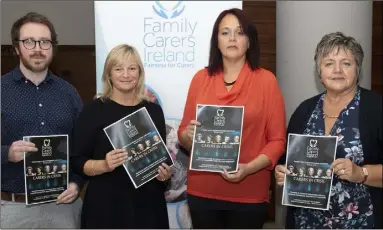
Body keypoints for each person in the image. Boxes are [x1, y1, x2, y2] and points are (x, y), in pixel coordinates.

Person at [178, 8, 286, 229]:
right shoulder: (200, 79)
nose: (232, 39)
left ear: (249, 41)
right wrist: (188, 135)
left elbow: (277, 141)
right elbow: (183, 133)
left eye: (239, 32)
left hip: (249, 190)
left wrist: (249, 168)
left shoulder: (267, 81)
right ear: (216, 41)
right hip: (203, 190)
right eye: (225, 33)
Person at [275, 32, 382, 229]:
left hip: (359, 222)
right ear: (320, 73)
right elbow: (286, 161)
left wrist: (362, 173)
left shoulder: (376, 108)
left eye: (346, 63)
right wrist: (282, 173)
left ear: (357, 69)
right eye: (329, 63)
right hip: (306, 222)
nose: (337, 70)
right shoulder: (304, 110)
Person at [70, 44, 173, 229]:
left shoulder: (154, 111)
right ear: (109, 74)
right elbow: (77, 161)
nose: (126, 75)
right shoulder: (93, 110)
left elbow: (159, 160)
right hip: (106, 208)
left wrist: (164, 175)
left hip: (148, 208)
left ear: (140, 73)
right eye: (118, 69)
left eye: (132, 68)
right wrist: (104, 164)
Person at [1, 12, 85, 228]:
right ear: (17, 47)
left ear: (53, 48)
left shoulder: (69, 94)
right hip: (12, 210)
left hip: (63, 208)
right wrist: (7, 153)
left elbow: (83, 149)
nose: (38, 48)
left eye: (45, 42)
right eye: (29, 41)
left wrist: (77, 183)